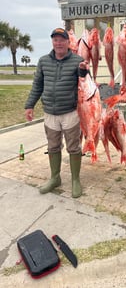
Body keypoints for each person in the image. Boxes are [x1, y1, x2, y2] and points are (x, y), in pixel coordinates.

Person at [25, 27, 86, 198]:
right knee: (52, 146)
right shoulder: (43, 61)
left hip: (70, 112)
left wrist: (83, 70)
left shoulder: (77, 60)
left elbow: (84, 79)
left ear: (68, 42)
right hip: (50, 113)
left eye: (62, 39)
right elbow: (37, 85)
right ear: (52, 42)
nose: (58, 43)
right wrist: (29, 105)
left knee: (74, 147)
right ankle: (55, 178)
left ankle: (75, 180)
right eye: (55, 39)